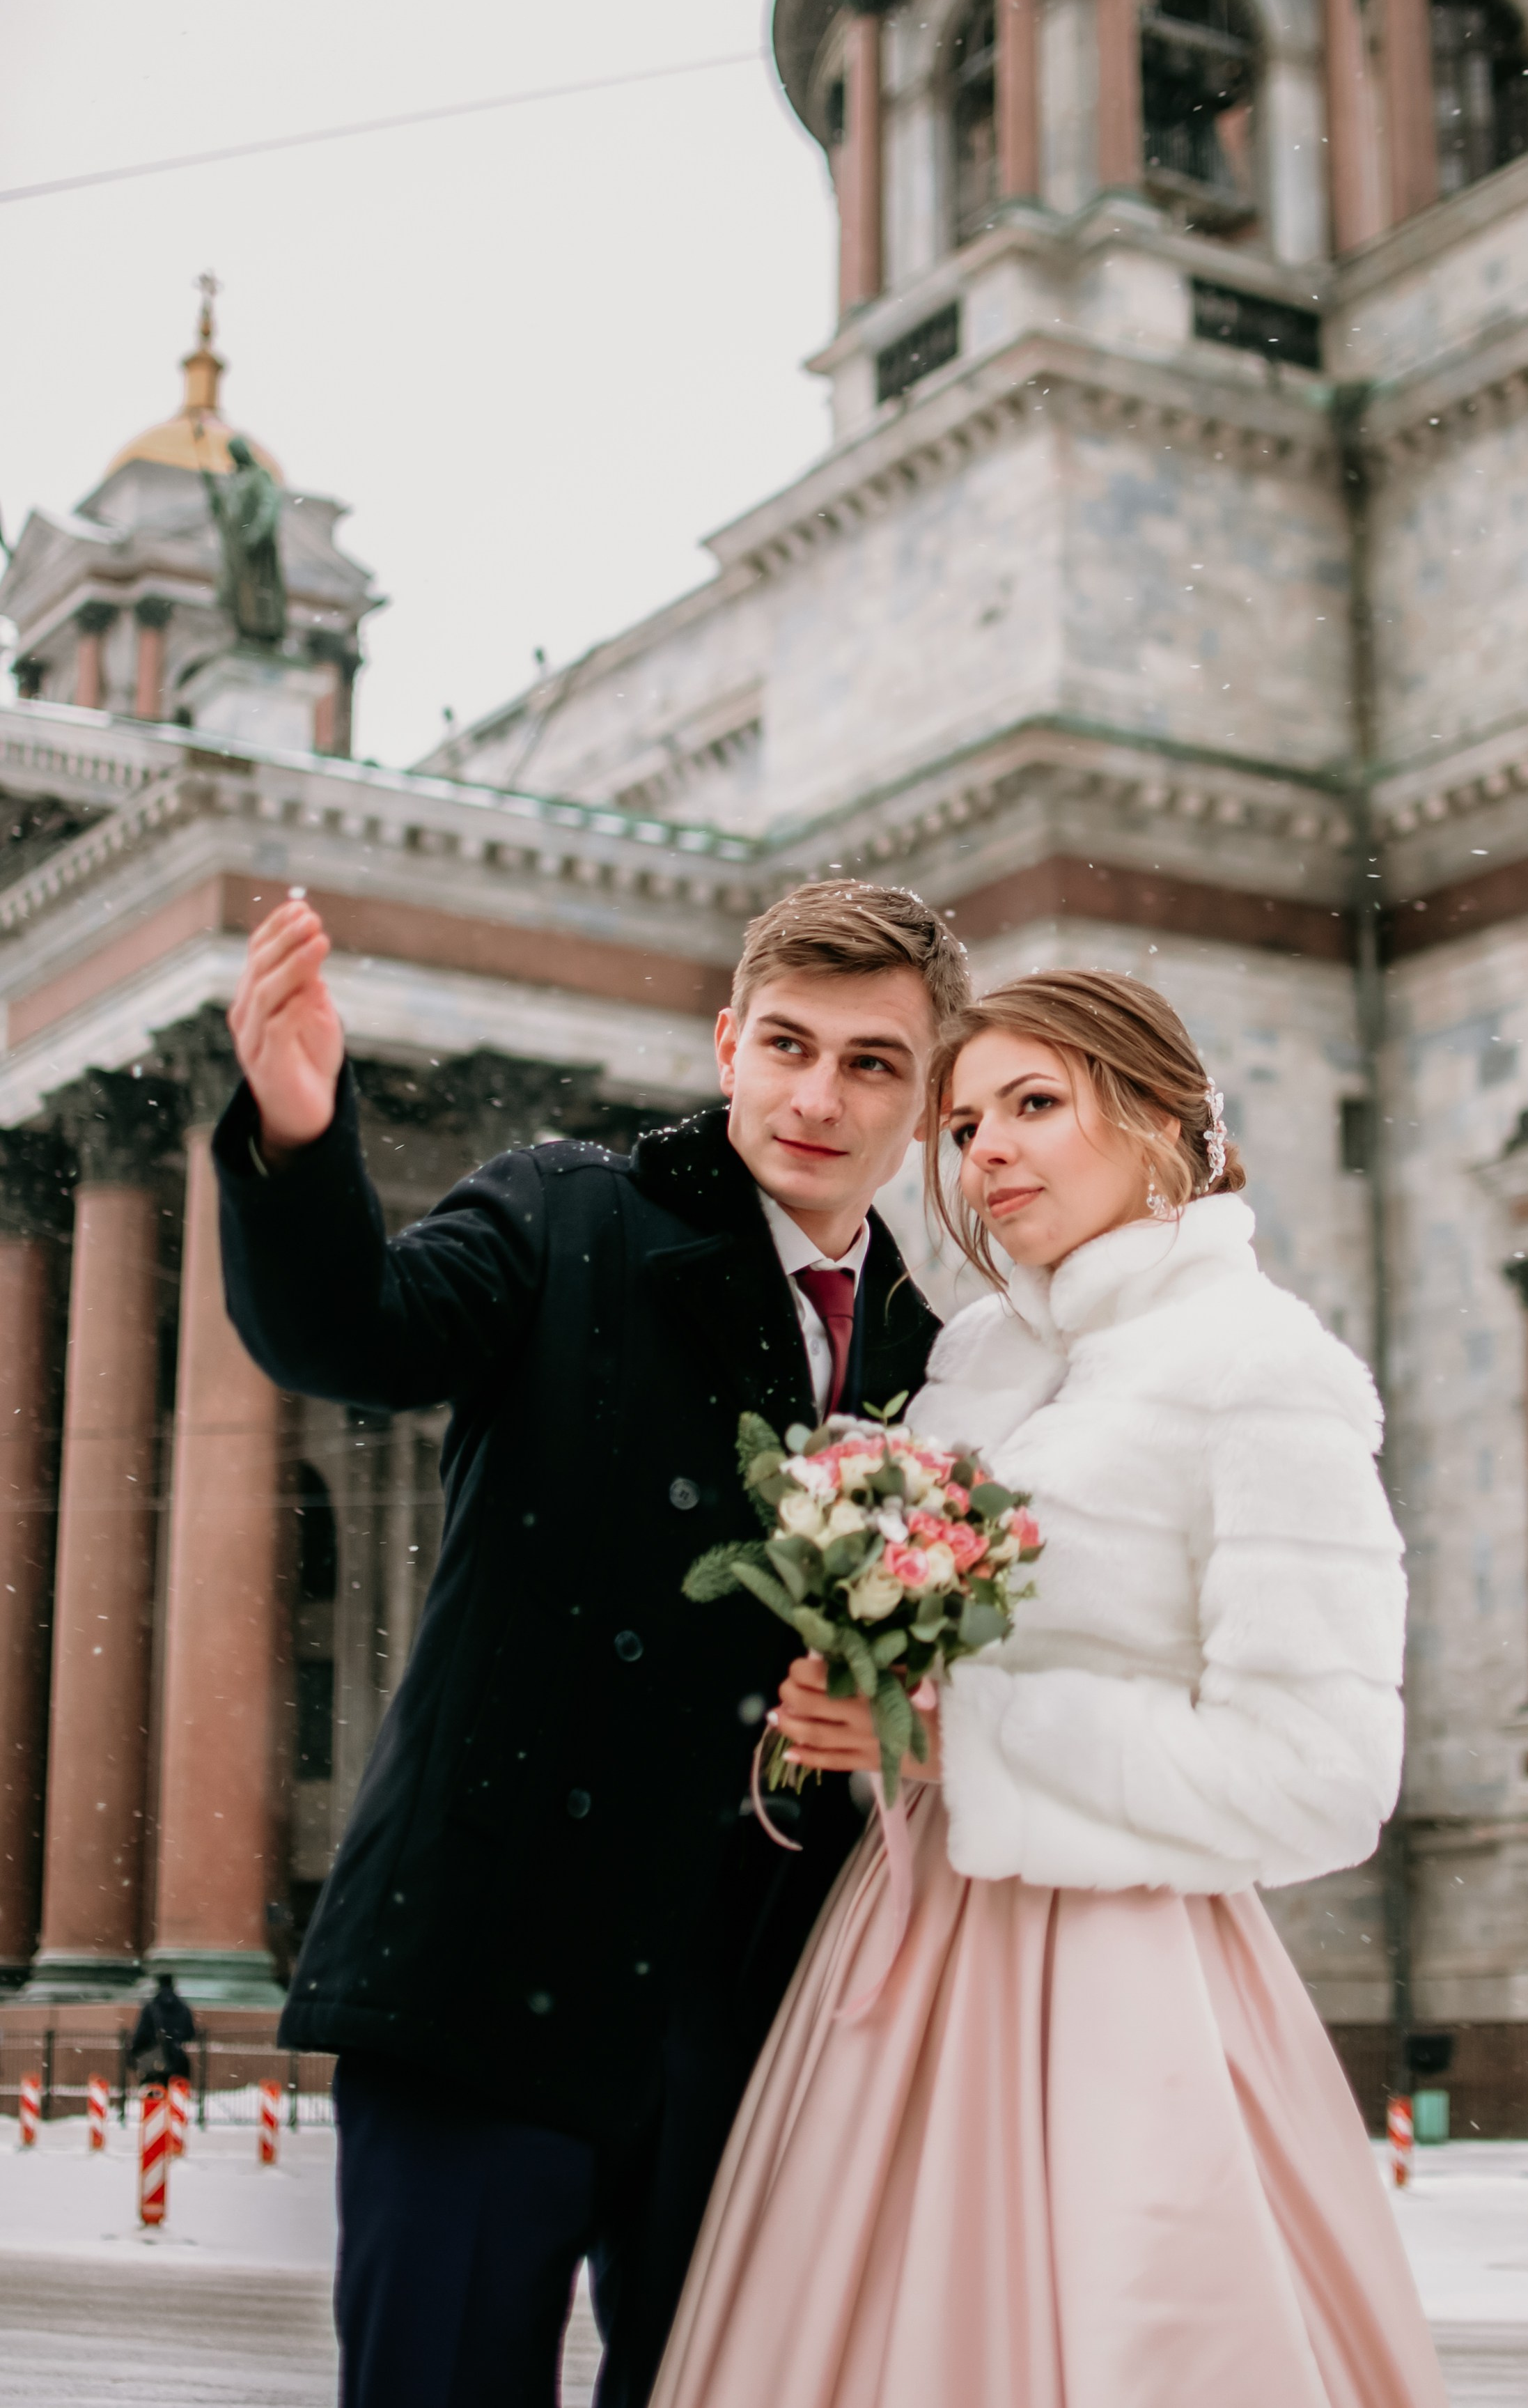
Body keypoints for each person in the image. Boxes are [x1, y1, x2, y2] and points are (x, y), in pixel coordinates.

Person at [214, 879, 968, 2408]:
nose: (819, 1096)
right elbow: (358, 1331)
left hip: (760, 2019)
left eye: (873, 1062)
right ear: (726, 1045)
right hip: (491, 1971)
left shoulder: (928, 1350)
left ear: (928, 1092)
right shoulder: (567, 1208)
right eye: (789, 1044)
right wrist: (299, 1142)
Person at [649, 970, 1448, 2408]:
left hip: (1127, 1994)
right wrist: (867, 1714)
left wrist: (975, 1734)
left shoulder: (1260, 1370)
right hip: (898, 1965)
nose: (985, 1154)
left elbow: (1320, 1772)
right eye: (960, 1126)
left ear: (1159, 1122)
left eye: (1032, 1105)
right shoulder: (980, 1367)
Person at [129, 1971, 195, 2088]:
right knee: (176, 2098)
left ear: (159, 1985)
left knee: (155, 2097)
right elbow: (190, 2033)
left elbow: (142, 2033)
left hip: (155, 2061)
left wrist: (135, 2051)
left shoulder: (152, 2007)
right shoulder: (183, 2007)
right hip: (177, 2061)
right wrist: (175, 2041)